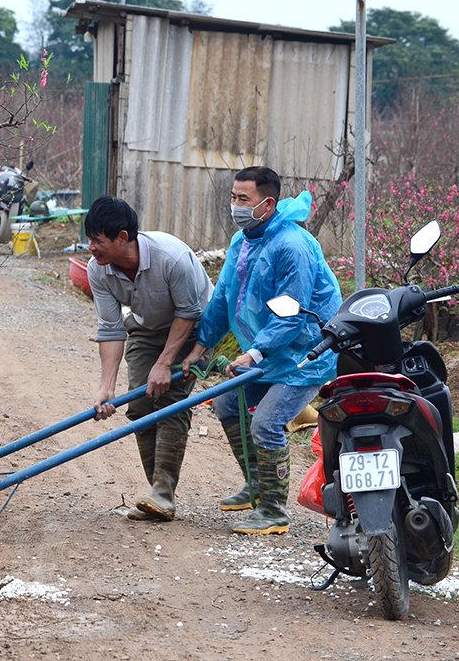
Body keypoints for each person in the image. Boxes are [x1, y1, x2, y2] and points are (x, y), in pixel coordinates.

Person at [183, 166, 342, 535]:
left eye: (243, 199)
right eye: (233, 197)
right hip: (269, 351)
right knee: (226, 404)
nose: (235, 206)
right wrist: (200, 348)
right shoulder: (244, 240)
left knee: (267, 423)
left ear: (267, 204)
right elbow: (223, 299)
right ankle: (257, 486)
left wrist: (254, 353)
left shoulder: (292, 245)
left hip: (306, 355)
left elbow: (292, 314)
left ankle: (274, 511)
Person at [87, 196, 214, 522]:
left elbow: (189, 313)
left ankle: (162, 491)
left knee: (170, 397)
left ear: (123, 238)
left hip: (195, 327)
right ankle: (158, 495)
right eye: (89, 240)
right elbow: (111, 329)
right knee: (141, 404)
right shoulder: (98, 271)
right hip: (147, 327)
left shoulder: (172, 258)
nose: (91, 248)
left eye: (97, 241)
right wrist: (106, 387)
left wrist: (164, 363)